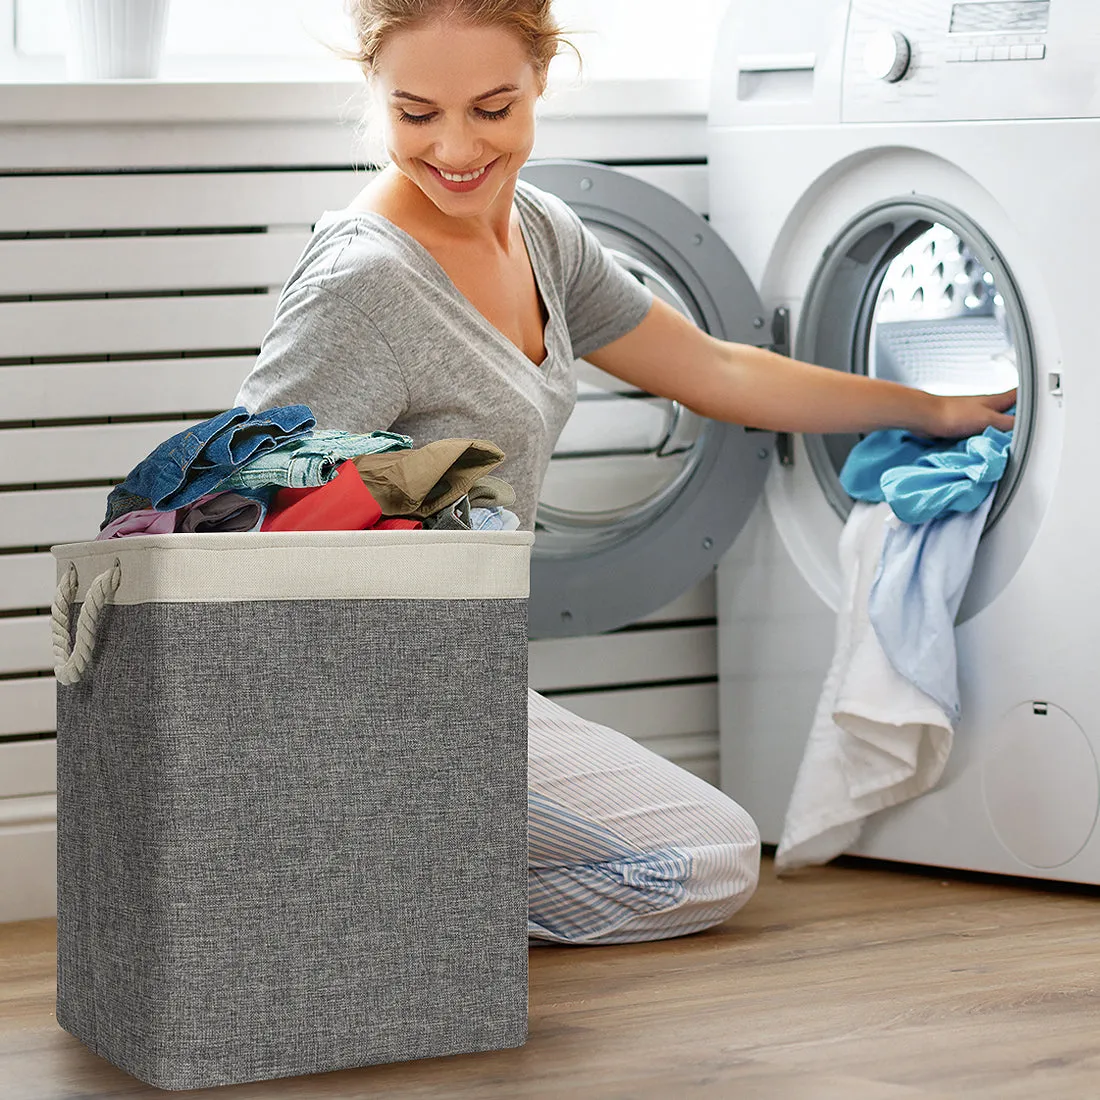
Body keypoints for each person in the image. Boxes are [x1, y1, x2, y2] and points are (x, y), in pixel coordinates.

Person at [234, 0, 1016, 945]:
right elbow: (249, 525)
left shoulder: (539, 232)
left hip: (461, 679)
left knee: (703, 854)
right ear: (374, 96)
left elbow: (718, 369)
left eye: (491, 108)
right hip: (355, 697)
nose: (453, 148)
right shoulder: (363, 286)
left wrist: (926, 407)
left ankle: (381, 892)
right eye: (415, 113)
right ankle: (365, 893)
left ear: (540, 81)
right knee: (710, 862)